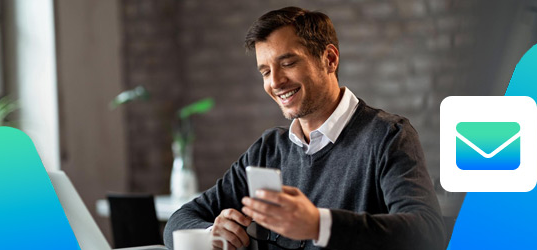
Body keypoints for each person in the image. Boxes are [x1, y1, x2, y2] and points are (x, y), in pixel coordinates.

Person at [164, 6, 445, 250]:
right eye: (265, 71)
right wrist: (211, 233)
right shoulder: (267, 150)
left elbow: (426, 233)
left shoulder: (388, 137)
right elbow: (179, 220)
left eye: (287, 63)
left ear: (330, 59)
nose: (275, 81)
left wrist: (318, 224)